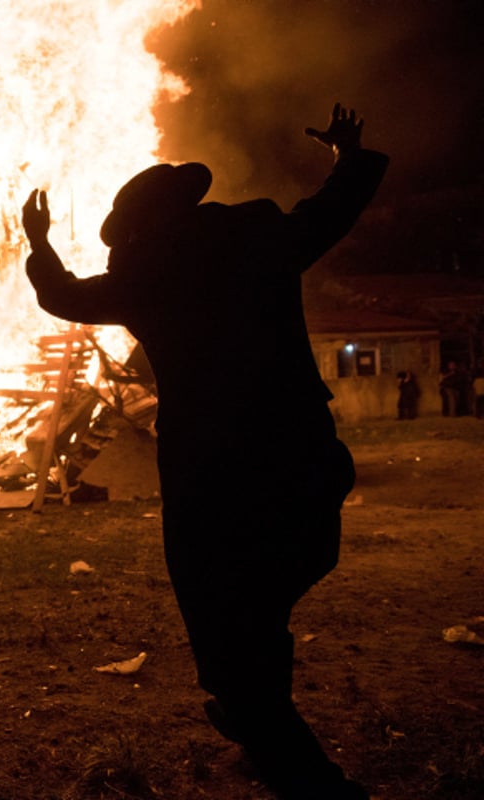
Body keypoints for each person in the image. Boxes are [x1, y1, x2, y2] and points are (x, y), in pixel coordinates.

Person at [21, 103, 387, 799]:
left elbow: (61, 293)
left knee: (227, 639)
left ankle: (309, 778)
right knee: (259, 616)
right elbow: (334, 208)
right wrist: (348, 157)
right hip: (303, 462)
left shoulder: (147, 276)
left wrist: (38, 240)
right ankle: (256, 718)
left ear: (135, 230)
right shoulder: (259, 240)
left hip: (214, 483)